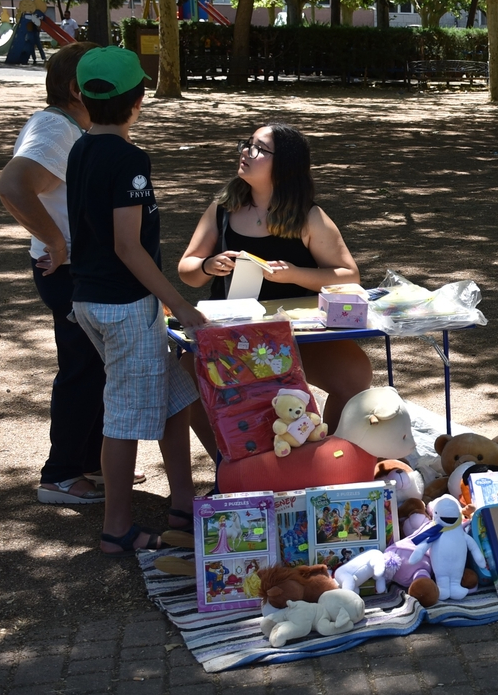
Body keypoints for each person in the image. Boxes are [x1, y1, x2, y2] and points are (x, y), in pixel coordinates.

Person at [66, 46, 207, 556]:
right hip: (124, 306)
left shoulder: (81, 147)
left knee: (176, 398)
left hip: (95, 300)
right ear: (138, 99)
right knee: (124, 419)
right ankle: (117, 529)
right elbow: (127, 246)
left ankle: (184, 503)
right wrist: (180, 305)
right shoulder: (128, 159)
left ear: (81, 96)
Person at [177, 123, 373, 459]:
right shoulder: (223, 207)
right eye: (247, 144)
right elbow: (188, 270)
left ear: (284, 165)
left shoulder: (308, 216)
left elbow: (349, 275)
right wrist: (208, 266)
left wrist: (294, 274)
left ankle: (322, 459)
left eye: (259, 149)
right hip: (233, 336)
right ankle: (231, 466)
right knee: (186, 377)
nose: (246, 152)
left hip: (295, 334)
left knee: (355, 375)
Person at [0, 41, 120, 505]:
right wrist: (56, 241)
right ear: (76, 89)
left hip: (77, 270)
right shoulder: (53, 128)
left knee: (94, 366)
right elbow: (12, 185)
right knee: (81, 368)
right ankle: (62, 475)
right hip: (66, 272)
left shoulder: (68, 127)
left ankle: (88, 463)